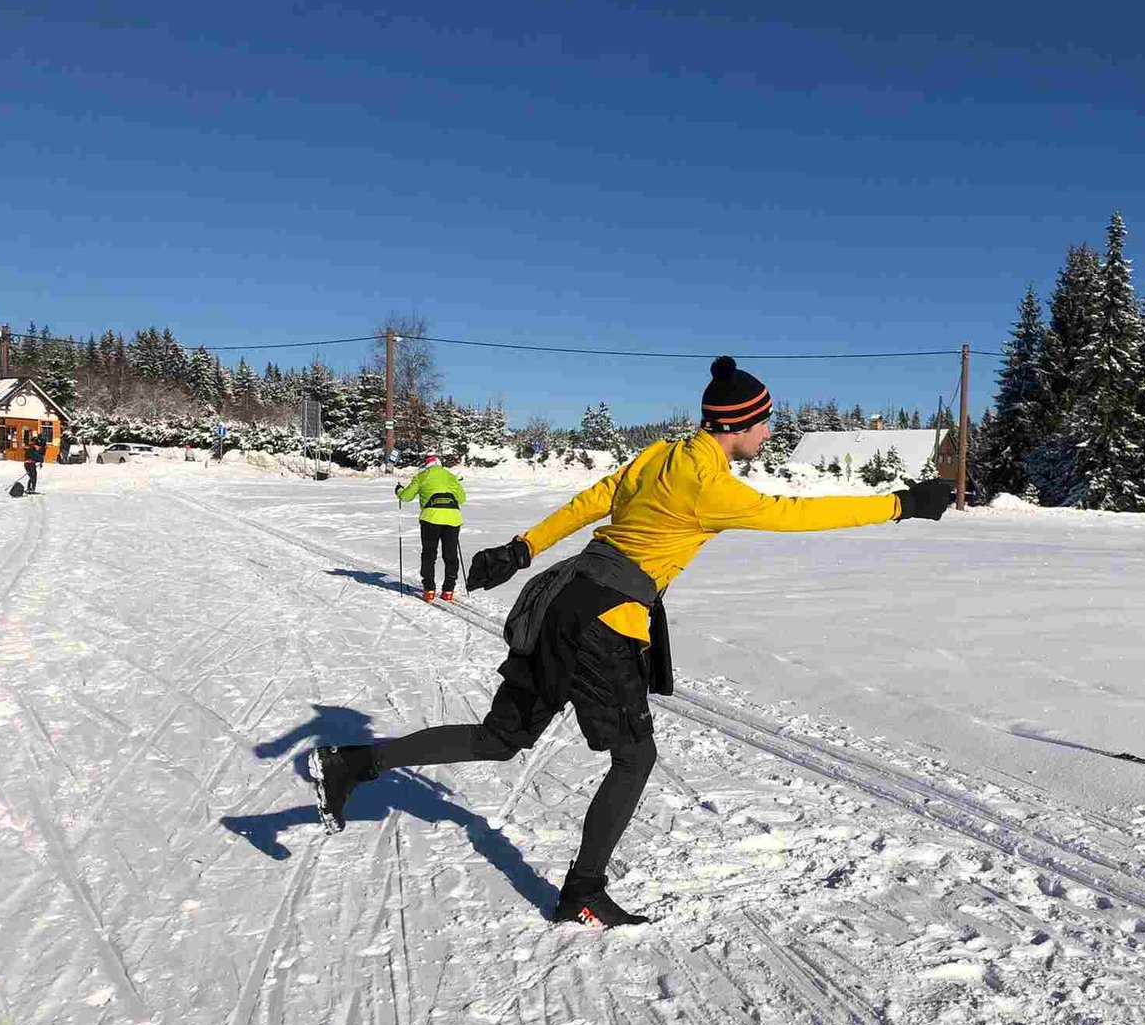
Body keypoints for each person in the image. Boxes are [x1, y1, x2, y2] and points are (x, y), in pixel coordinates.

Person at [310, 357, 954, 928]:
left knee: (499, 739)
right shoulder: (712, 487)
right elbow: (795, 514)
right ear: (736, 426)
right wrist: (900, 505)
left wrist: (524, 548)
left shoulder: (661, 455)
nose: (769, 431)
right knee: (634, 757)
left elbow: (595, 498)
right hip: (604, 623)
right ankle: (582, 893)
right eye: (764, 422)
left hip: (561, 599)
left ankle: (352, 763)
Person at [396, 452, 466, 602]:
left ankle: (429, 589)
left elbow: (406, 497)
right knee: (451, 554)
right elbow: (462, 498)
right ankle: (448, 590)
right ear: (439, 464)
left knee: (429, 553)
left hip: (431, 519)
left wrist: (399, 491)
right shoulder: (450, 476)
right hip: (453, 519)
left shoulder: (422, 476)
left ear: (426, 464)